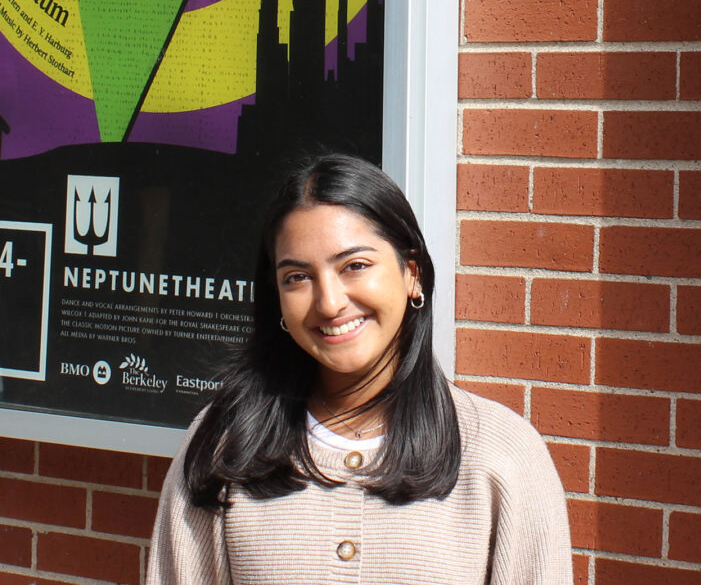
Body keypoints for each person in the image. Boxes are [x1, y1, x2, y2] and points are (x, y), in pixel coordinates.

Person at [148, 154, 573, 583]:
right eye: (297, 277)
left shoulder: (502, 456)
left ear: (412, 274)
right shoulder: (225, 443)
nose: (329, 303)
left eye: (354, 265)